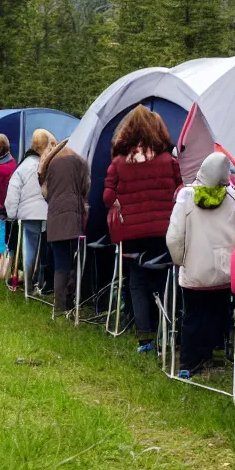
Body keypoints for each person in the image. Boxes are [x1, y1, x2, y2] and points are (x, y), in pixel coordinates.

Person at [103, 105, 182, 353]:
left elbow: (107, 195)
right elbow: (180, 192)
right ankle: (165, 331)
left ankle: (144, 337)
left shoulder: (119, 162)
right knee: (162, 280)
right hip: (162, 232)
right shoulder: (169, 161)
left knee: (137, 283)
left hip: (132, 236)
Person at [167, 153, 235, 377]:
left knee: (193, 316)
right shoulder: (233, 196)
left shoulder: (186, 196)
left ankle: (189, 363)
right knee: (219, 313)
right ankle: (213, 354)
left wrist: (180, 261)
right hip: (226, 272)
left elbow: (174, 237)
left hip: (195, 271)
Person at [40, 139, 90, 313]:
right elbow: (85, 188)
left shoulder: (50, 165)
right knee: (76, 260)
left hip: (54, 215)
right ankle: (69, 300)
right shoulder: (81, 163)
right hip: (74, 215)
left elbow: (45, 191)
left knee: (61, 262)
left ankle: (59, 305)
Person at [5, 129, 53, 295]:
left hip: (27, 214)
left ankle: (27, 285)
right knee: (44, 250)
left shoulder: (23, 166)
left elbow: (13, 190)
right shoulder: (48, 165)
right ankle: (40, 283)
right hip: (47, 213)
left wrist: (11, 214)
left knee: (29, 248)